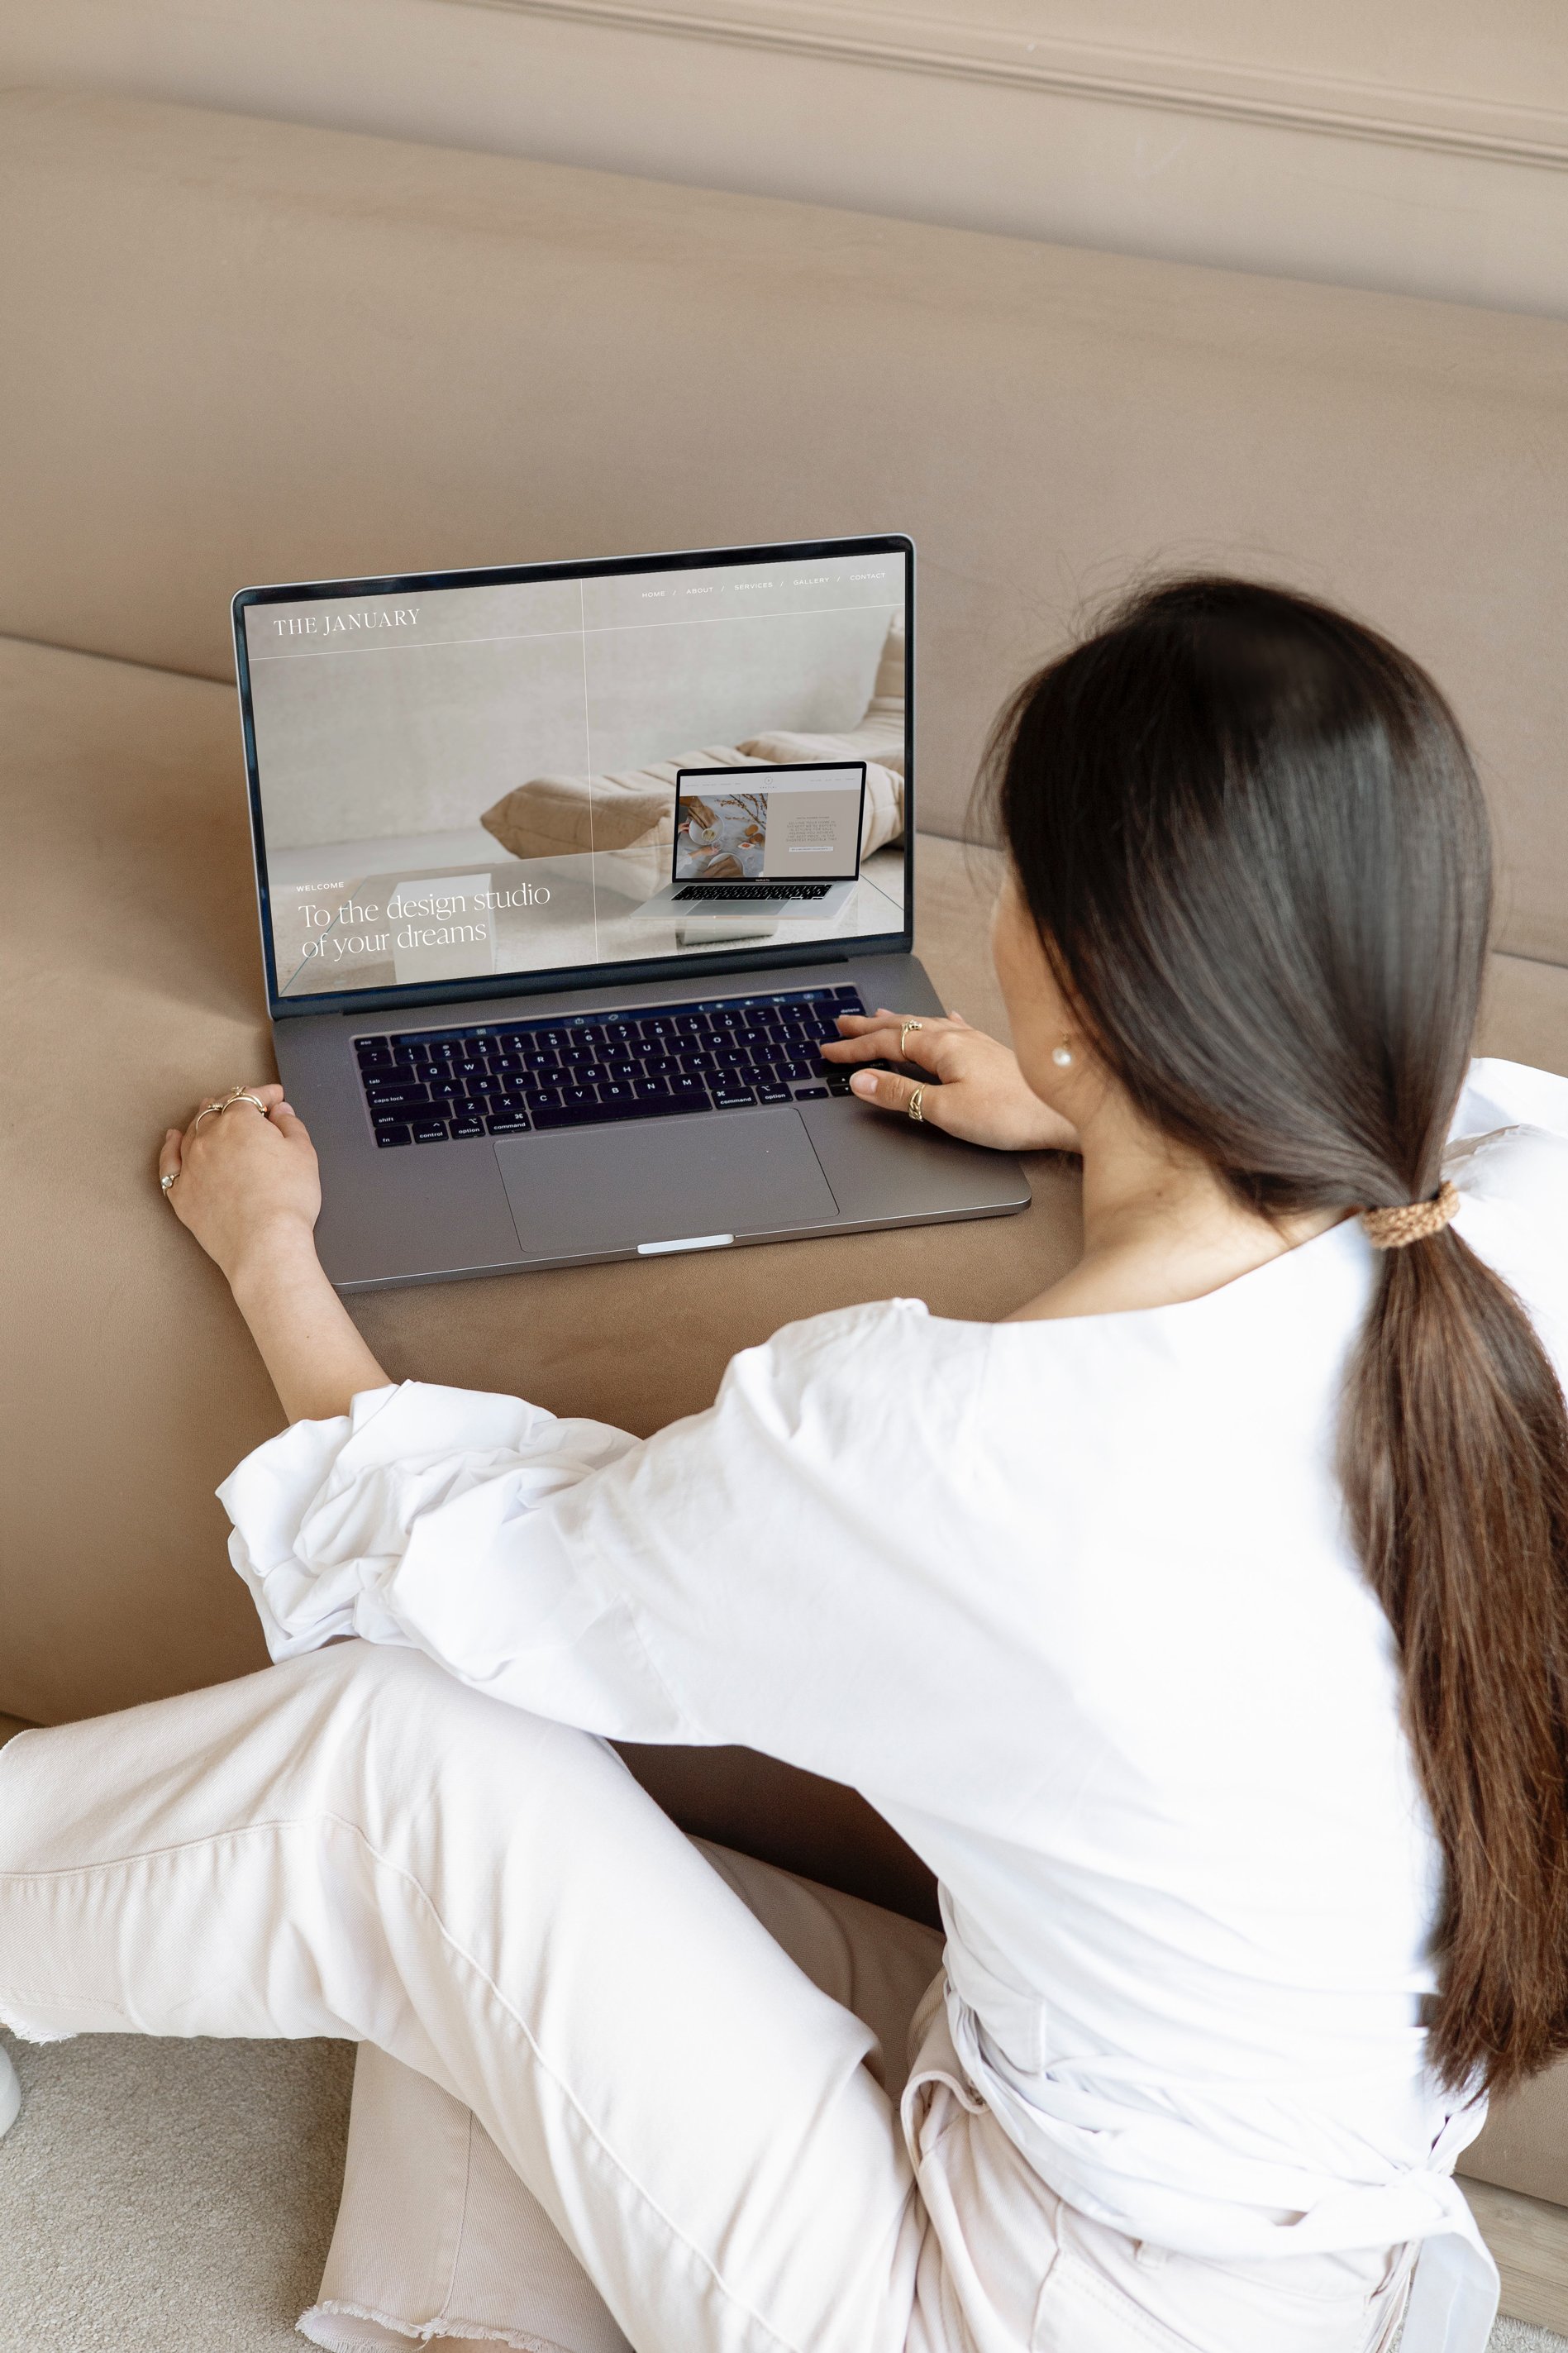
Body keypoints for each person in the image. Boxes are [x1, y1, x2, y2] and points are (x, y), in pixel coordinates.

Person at [3, 577, 1566, 2353]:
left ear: (1077, 977)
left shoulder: (954, 1444)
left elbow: (473, 1565)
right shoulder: (1516, 1249)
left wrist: (267, 1244)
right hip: (1263, 2238)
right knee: (575, 1870)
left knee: (404, 1756)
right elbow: (1461, 1120)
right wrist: (1105, 1103)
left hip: (1030, 2309)